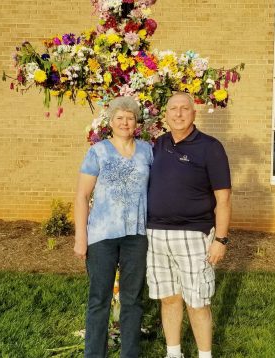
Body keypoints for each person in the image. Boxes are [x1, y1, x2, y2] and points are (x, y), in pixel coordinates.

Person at [147, 92, 231, 358]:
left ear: (194, 113)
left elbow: (224, 197)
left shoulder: (210, 147)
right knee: (169, 297)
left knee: (198, 301)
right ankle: (174, 353)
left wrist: (221, 239)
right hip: (155, 235)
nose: (179, 114)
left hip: (194, 235)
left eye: (185, 109)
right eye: (173, 109)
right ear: (166, 114)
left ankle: (205, 355)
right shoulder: (156, 145)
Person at [74, 96, 153, 358]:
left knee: (132, 299)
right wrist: (80, 238)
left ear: (136, 122)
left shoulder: (146, 151)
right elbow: (82, 197)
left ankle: (130, 354)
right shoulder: (98, 152)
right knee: (100, 300)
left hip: (136, 235)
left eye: (129, 118)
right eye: (119, 117)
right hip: (102, 236)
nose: (125, 122)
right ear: (111, 121)